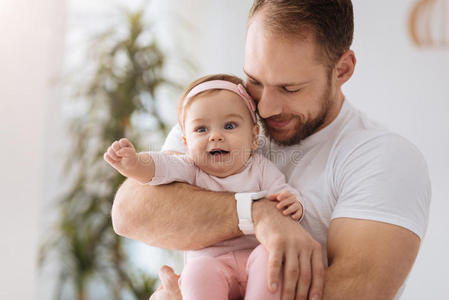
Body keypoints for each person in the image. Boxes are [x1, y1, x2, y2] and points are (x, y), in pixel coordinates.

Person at [111, 1, 431, 300]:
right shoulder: (220, 119)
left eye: (289, 88)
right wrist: (258, 214)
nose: (264, 107)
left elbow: (352, 291)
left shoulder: (384, 159)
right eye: (255, 81)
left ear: (342, 70)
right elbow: (129, 214)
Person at [104, 74, 305, 300]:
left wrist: (292, 202)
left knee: (272, 258)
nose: (215, 136)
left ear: (253, 136)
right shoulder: (190, 168)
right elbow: (158, 168)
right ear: (186, 142)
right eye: (201, 129)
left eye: (229, 126)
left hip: (254, 258)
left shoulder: (261, 169)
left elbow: (282, 194)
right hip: (211, 262)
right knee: (195, 274)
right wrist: (134, 164)